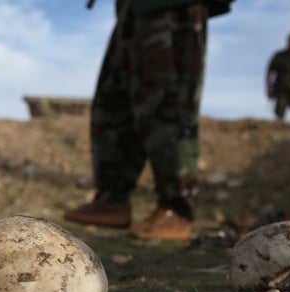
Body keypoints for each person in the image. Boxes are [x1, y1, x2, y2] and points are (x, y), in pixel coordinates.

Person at [64, 0, 233, 242]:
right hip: (132, 10)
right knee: (113, 103)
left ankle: (177, 208)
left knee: (167, 104)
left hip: (173, 9)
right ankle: (112, 200)